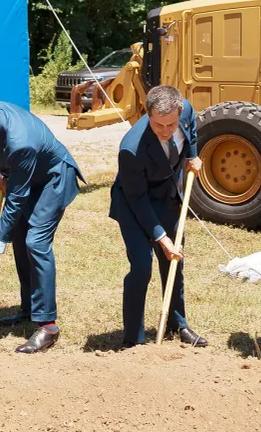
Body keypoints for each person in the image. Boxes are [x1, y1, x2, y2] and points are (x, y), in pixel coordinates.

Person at [0, 94, 82, 354]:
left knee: (35, 242)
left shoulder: (20, 142)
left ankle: (48, 326)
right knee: (22, 237)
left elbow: (16, 200)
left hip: (52, 179)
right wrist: (3, 173)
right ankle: (29, 309)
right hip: (26, 175)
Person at [108, 85, 207, 349]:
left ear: (180, 111)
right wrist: (161, 238)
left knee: (174, 263)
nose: (165, 131)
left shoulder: (185, 112)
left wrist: (192, 156)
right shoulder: (131, 149)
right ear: (147, 114)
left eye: (170, 125)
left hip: (167, 198)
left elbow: (192, 133)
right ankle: (133, 338)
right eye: (158, 125)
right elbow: (137, 199)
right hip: (133, 204)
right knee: (142, 266)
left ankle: (178, 325)